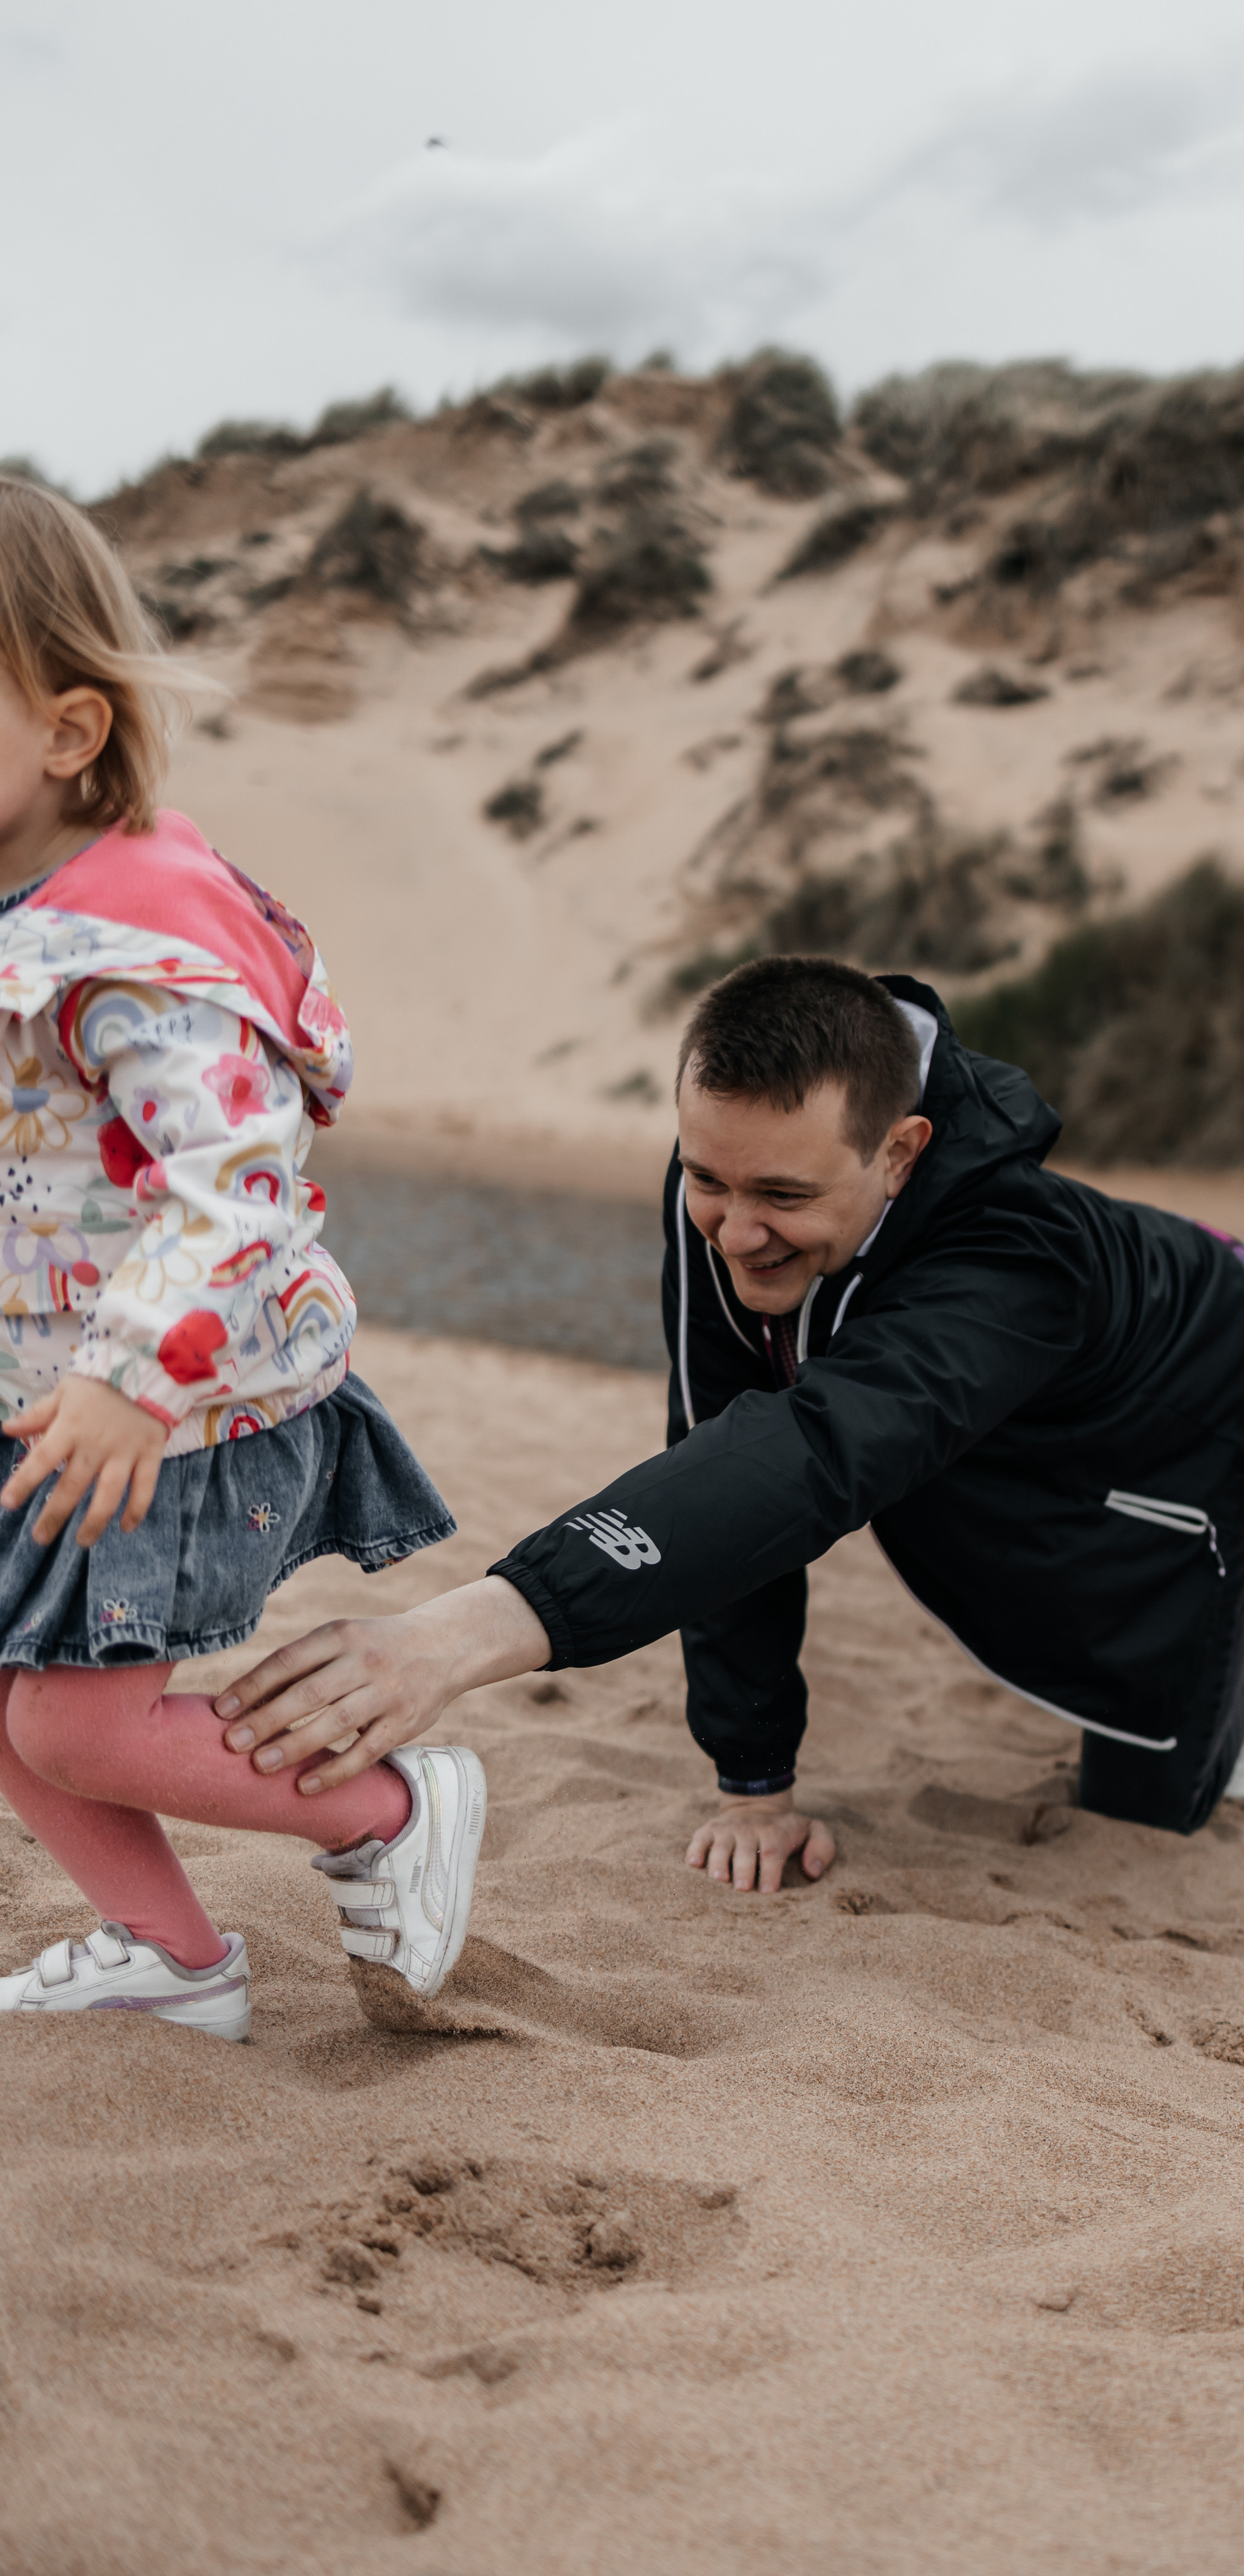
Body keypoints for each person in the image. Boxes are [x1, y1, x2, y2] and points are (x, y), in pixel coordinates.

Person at [213, 956, 1244, 1897]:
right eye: (707, 1179)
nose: (736, 1233)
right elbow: (727, 1447)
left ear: (900, 1152)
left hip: (1201, 1388)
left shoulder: (1018, 1260)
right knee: (907, 1502)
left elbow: (811, 1457)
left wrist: (461, 1635)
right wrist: (755, 1783)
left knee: (1137, 1777)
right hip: (950, 1388)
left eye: (783, 1198)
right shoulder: (741, 1164)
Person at [0, 477, 485, 2042]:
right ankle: (170, 1955)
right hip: (54, 1400)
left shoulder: (134, 948)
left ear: (70, 728)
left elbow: (234, 1181)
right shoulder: (22, 915)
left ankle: (389, 1811)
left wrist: (135, 1380)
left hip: (180, 1413)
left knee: (77, 1727)